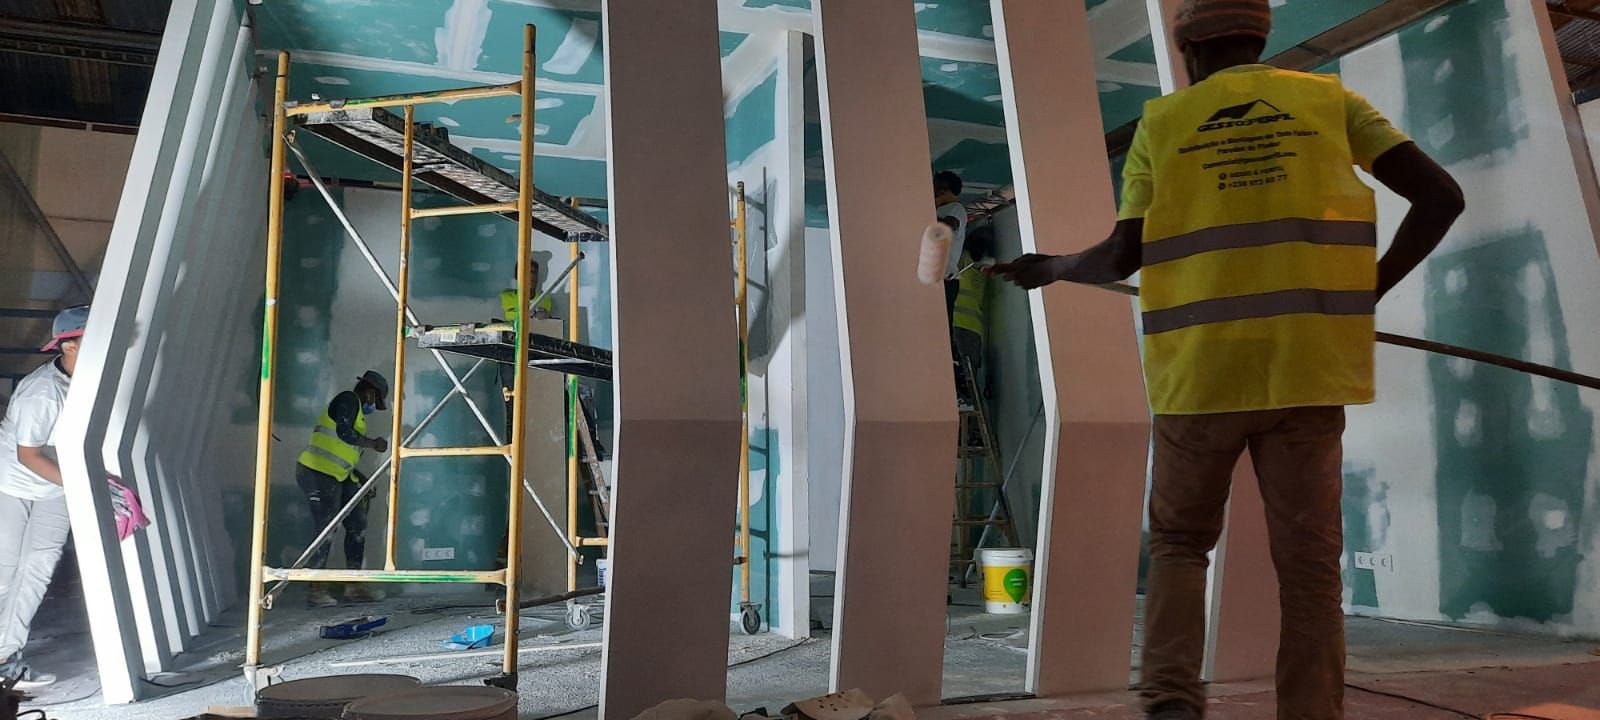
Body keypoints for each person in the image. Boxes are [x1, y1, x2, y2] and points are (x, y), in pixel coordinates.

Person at [991, 1, 1464, 718]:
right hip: (1305, 373)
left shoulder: (1164, 124)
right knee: (1308, 574)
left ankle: (1174, 703)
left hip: (1199, 377)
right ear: (1257, 36)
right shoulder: (1332, 104)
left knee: (1182, 546)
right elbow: (1441, 196)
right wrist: (1370, 288)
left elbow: (1123, 255)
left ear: (1188, 49)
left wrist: (1052, 265)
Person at [0, 306, 91, 690]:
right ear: (68, 345)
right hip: (13, 484)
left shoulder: (89, 380)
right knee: (4, 573)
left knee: (37, 570)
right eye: (90, 338)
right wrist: (82, 485)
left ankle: (6, 659)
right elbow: (28, 455)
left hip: (55, 487)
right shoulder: (42, 393)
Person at [296, 370, 391, 608]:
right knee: (326, 527)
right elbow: (344, 433)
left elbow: (342, 457)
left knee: (357, 523)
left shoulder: (358, 414)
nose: (373, 406)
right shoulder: (348, 399)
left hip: (336, 475)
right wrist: (373, 444)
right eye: (374, 401)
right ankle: (315, 589)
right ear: (369, 393)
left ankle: (354, 585)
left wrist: (361, 479)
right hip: (315, 472)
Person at [951, 225, 994, 411]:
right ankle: (967, 402)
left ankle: (965, 401)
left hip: (960, 326)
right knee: (968, 373)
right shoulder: (979, 266)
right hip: (971, 329)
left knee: (962, 373)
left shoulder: (967, 261)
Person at [934, 170, 968, 318]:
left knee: (942, 322)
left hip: (946, 278)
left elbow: (950, 225)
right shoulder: (940, 209)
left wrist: (926, 215)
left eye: (936, 185)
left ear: (944, 187)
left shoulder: (956, 208)